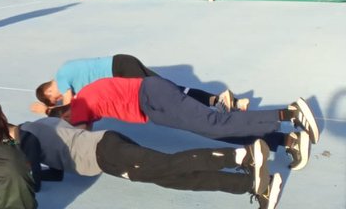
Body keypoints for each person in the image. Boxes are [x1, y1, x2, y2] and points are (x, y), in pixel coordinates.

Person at [18, 116, 284, 209]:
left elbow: (35, 182)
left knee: (171, 164)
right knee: (175, 178)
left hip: (107, 156)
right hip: (108, 143)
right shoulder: (40, 123)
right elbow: (55, 170)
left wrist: (18, 176)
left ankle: (242, 155)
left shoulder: (27, 139)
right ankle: (253, 184)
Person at [49, 77, 318, 170]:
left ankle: (289, 114)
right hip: (152, 104)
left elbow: (80, 138)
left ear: (65, 115)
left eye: (65, 121)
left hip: (152, 96)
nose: (69, 124)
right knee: (215, 131)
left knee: (215, 123)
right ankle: (286, 140)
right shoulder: (84, 99)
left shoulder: (79, 106)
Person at [33, 55, 247, 114]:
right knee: (170, 88)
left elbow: (69, 107)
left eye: (55, 98)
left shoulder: (61, 77)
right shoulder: (67, 72)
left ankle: (213, 107)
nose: (59, 98)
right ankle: (224, 101)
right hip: (123, 63)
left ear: (49, 90)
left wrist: (49, 111)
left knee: (167, 95)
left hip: (121, 70)